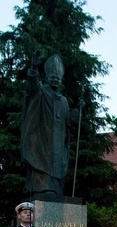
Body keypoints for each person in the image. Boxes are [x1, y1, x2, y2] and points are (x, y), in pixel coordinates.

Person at [21, 51, 78, 196]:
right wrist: (33, 67)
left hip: (58, 143)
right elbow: (31, 88)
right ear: (46, 77)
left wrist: (74, 116)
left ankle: (55, 189)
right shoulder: (41, 92)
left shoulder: (64, 100)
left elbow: (68, 125)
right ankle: (43, 188)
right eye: (53, 77)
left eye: (58, 78)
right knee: (43, 162)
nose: (56, 80)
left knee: (56, 166)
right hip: (42, 139)